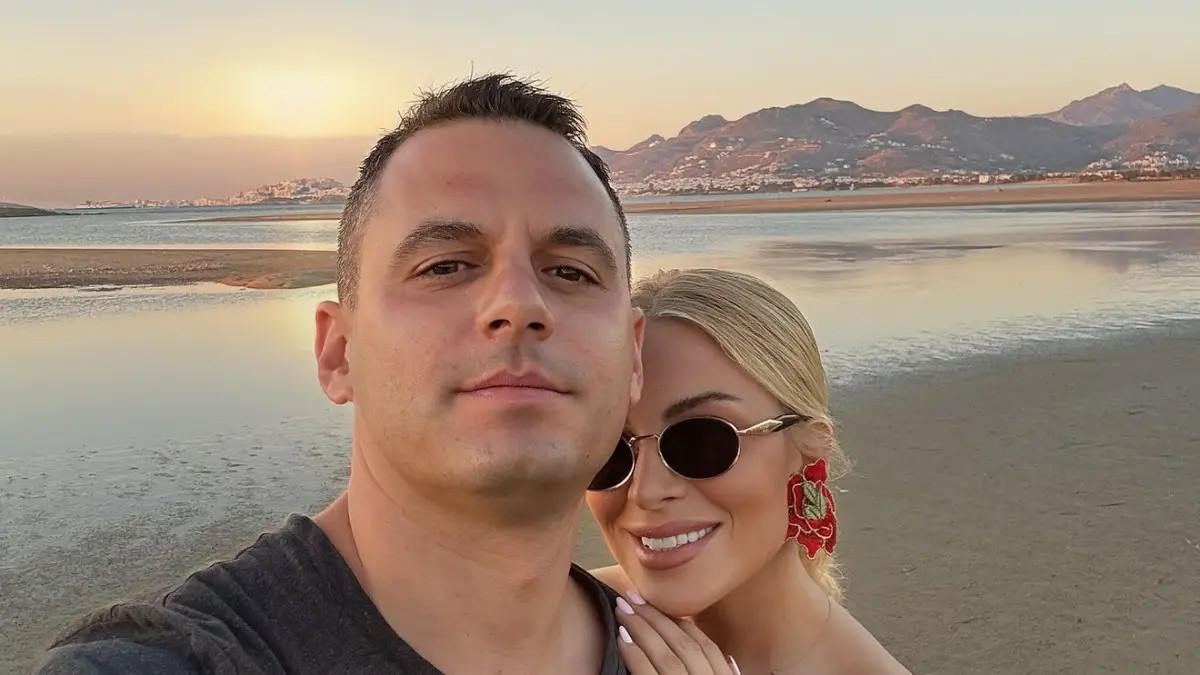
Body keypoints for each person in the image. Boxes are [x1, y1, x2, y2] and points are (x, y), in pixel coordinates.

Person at [32, 74, 645, 675]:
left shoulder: (666, 651)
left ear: (634, 357)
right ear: (338, 352)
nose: (519, 304)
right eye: (445, 266)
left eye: (571, 272)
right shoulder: (176, 659)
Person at [585, 268, 911, 674]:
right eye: (608, 447)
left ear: (809, 449)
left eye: (702, 441)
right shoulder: (559, 619)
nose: (645, 491)